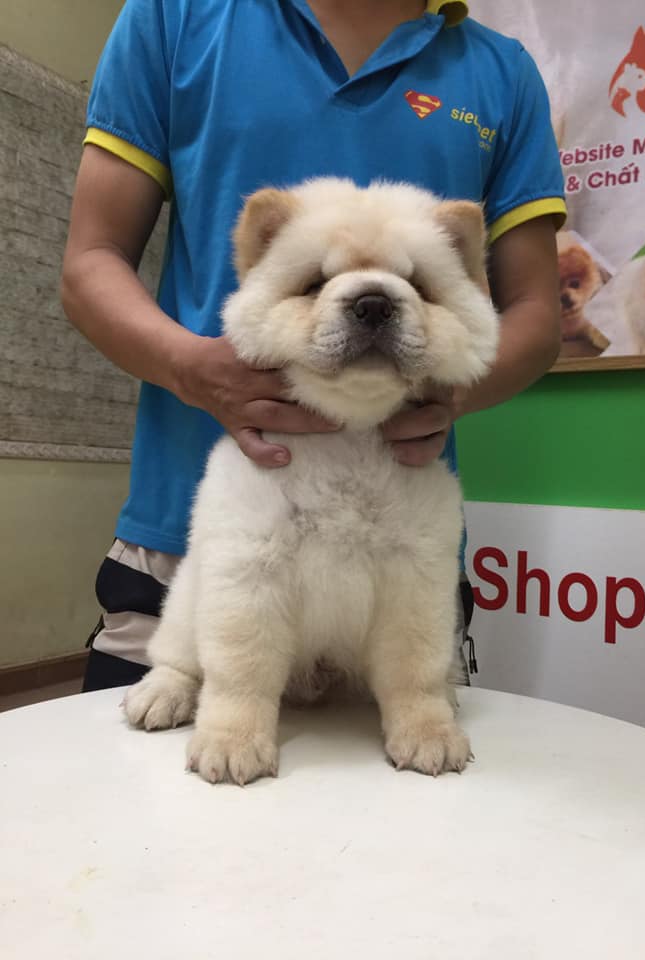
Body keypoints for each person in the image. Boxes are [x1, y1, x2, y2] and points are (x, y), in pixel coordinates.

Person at [61, 0, 565, 692]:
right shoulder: (173, 16)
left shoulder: (501, 73)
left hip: (397, 556)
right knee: (141, 754)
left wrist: (450, 388)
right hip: (189, 547)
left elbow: (537, 311)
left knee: (417, 748)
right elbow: (90, 261)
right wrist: (191, 366)